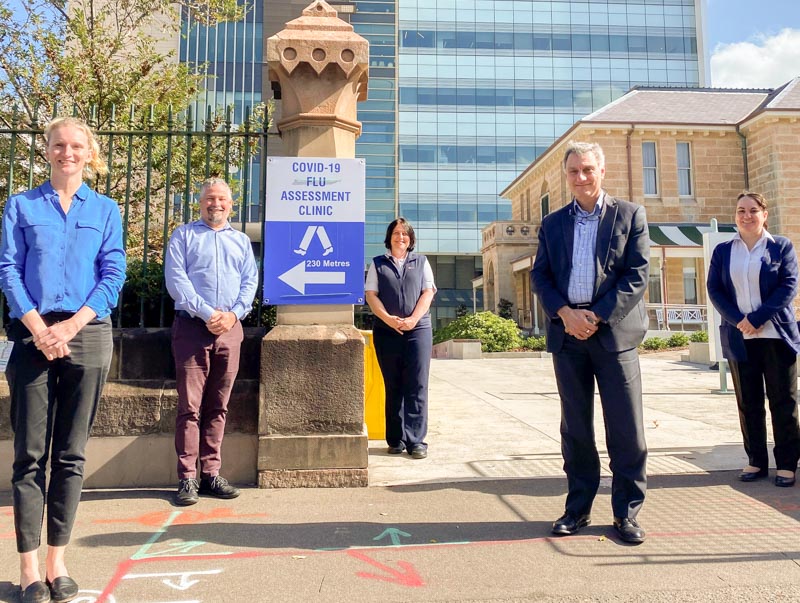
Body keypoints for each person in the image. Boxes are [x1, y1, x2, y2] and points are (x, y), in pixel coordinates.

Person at [0, 117, 126, 602]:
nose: (67, 153)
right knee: (29, 455)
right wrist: (38, 328)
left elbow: (113, 273)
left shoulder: (106, 209)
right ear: (47, 151)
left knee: (71, 455)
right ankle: (29, 568)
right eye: (58, 145)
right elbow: (8, 269)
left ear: (89, 153)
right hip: (32, 333)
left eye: (76, 146)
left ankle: (58, 561)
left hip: (87, 332)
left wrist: (71, 327)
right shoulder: (21, 205)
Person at [531, 141, 650, 544]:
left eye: (587, 170)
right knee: (576, 429)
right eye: (573, 172)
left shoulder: (630, 215)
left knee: (626, 429)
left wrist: (595, 316)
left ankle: (626, 513)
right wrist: (566, 314)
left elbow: (636, 275)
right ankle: (577, 509)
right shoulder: (552, 224)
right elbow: (540, 278)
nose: (580, 178)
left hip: (613, 334)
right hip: (568, 336)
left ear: (601, 170)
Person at [164, 177, 258, 506]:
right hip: (192, 329)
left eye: (221, 199)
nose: (215, 204)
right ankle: (187, 478)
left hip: (230, 331)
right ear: (200, 203)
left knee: (218, 406)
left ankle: (211, 474)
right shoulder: (184, 236)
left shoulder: (242, 242)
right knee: (190, 407)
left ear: (231, 205)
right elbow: (177, 281)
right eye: (209, 199)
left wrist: (232, 316)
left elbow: (250, 282)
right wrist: (207, 314)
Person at [707, 192, 800, 488]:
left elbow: (788, 286)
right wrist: (739, 320)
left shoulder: (781, 246)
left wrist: (758, 318)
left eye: (752, 210)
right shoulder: (724, 250)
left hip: (776, 335)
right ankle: (756, 460)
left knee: (783, 401)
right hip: (740, 337)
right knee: (748, 402)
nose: (746, 216)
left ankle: (786, 464)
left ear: (764, 214)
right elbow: (715, 289)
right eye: (740, 211)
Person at [365, 218, 436, 459]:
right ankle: (395, 439)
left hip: (418, 330)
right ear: (389, 237)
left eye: (405, 234)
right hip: (387, 331)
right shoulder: (378, 264)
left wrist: (414, 319)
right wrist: (388, 319)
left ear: (411, 239)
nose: (400, 238)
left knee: (416, 385)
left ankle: (416, 441)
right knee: (393, 385)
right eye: (396, 233)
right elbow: (371, 295)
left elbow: (428, 292)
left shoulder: (421, 262)